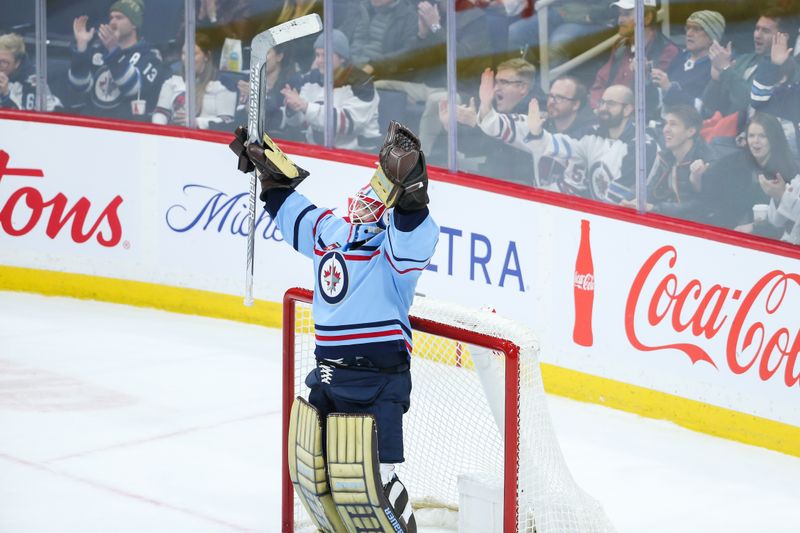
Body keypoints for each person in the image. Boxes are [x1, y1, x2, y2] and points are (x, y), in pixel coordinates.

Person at [230, 120, 437, 532]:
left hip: (378, 380)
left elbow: (412, 227)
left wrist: (412, 189)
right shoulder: (331, 233)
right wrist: (269, 173)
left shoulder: (392, 252)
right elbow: (291, 211)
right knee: (315, 472)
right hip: (327, 375)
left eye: (377, 197)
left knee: (375, 482)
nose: (363, 202)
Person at [478, 83, 655, 200]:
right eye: (602, 102)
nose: (603, 108)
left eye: (611, 104)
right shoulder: (590, 136)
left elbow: (621, 198)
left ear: (628, 109)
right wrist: (537, 133)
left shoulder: (641, 145)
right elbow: (553, 145)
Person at [435, 59, 542, 184]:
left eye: (503, 82)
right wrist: (450, 126)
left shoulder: (537, 112)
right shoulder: (499, 108)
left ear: (522, 87)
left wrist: (477, 122)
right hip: (494, 182)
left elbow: (509, 154)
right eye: (496, 82)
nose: (496, 88)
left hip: (519, 188)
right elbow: (476, 147)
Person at [692, 112, 799, 236]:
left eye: (762, 136)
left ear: (773, 138)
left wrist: (755, 227)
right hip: (728, 232)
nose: (755, 141)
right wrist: (696, 176)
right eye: (752, 136)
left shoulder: (789, 170)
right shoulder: (731, 162)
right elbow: (706, 193)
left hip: (768, 240)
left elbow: (790, 221)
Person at [280, 30, 380, 150]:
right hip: (317, 153)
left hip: (358, 157)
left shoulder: (362, 82)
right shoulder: (310, 79)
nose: (319, 60)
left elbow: (347, 124)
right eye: (317, 55)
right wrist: (292, 109)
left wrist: (305, 106)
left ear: (342, 58)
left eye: (325, 55)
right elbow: (298, 122)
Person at [67, 0, 165, 121]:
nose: (112, 22)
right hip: (91, 127)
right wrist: (81, 47)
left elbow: (132, 88)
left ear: (134, 24)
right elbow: (79, 87)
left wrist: (113, 51)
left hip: (126, 132)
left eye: (119, 18)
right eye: (111, 17)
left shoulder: (150, 57)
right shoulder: (99, 51)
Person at [620, 104, 712, 222]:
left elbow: (701, 206)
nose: (665, 129)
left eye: (673, 124)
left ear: (690, 131)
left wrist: (656, 209)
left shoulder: (707, 161)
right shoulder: (665, 157)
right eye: (665, 124)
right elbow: (650, 189)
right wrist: (632, 202)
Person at [702, 8, 794, 118]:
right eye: (757, 29)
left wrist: (726, 69)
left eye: (765, 31)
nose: (757, 35)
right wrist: (716, 80)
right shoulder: (744, 60)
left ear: (783, 37)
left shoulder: (788, 67)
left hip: (755, 131)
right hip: (726, 127)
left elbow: (752, 103)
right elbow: (712, 106)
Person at [589, 0, 678, 108]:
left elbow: (654, 99)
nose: (620, 20)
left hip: (637, 118)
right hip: (608, 115)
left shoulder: (667, 50)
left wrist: (645, 74)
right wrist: (598, 106)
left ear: (647, 18)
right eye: (620, 14)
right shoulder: (620, 45)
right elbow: (600, 82)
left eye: (626, 14)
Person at [152, 33, 236, 130]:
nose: (186, 58)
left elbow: (227, 121)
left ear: (206, 56)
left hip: (207, 140)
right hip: (175, 137)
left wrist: (196, 122)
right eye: (184, 53)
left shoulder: (223, 83)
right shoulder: (173, 79)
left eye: (193, 54)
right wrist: (159, 128)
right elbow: (161, 111)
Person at [650, 10, 725, 110]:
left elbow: (704, 110)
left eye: (697, 29)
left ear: (712, 37)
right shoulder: (680, 57)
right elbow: (659, 100)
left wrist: (669, 89)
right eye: (688, 28)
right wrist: (646, 76)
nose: (689, 33)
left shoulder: (715, 67)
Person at [235, 43, 298, 137]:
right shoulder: (248, 80)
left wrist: (258, 96)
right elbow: (238, 119)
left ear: (279, 56)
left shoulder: (291, 83)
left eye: (266, 53)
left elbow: (278, 121)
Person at [0, 33, 62, 111]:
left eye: (4, 62)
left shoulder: (32, 83)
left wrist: (5, 95)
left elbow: (23, 120)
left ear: (17, 63)